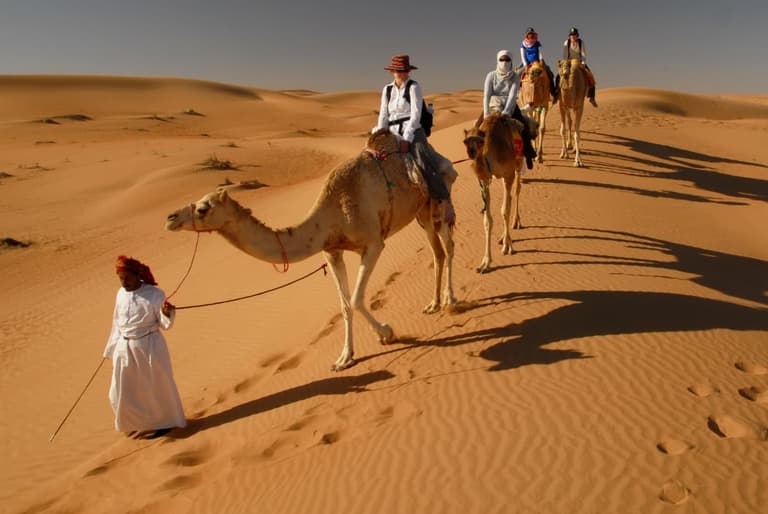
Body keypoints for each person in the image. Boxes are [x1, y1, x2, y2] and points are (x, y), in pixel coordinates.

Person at [103, 255, 186, 439]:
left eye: (127, 278)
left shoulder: (155, 294)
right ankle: (134, 423)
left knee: (155, 387)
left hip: (149, 346)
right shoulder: (120, 294)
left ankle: (165, 422)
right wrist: (111, 348)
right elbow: (117, 322)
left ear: (137, 275)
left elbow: (165, 324)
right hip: (124, 348)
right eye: (121, 278)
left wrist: (167, 313)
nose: (124, 282)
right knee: (120, 390)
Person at [374, 54, 457, 218]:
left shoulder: (414, 87)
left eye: (402, 70)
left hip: (412, 129)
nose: (399, 73)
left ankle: (443, 199)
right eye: (397, 70)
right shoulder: (387, 89)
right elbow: (383, 115)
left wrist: (406, 138)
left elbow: (416, 115)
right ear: (392, 71)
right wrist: (380, 137)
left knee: (422, 160)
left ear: (408, 71)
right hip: (391, 130)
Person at [479, 49, 537, 169]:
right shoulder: (491, 76)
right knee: (477, 129)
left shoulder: (515, 76)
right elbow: (487, 95)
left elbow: (512, 95)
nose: (504, 62)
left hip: (510, 107)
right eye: (502, 59)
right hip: (493, 105)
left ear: (511, 61)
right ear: (497, 60)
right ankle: (477, 156)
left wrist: (506, 112)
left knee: (524, 127)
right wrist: (485, 113)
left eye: (507, 60)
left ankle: (528, 153)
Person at [561, 27, 598, 107]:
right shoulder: (566, 43)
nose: (573, 37)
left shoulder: (581, 42)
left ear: (577, 36)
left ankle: (592, 98)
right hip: (569, 62)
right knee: (559, 76)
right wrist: (566, 64)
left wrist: (583, 63)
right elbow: (565, 56)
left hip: (579, 62)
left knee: (590, 76)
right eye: (572, 35)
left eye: (575, 35)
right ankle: (557, 94)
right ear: (569, 36)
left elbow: (583, 54)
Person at [520, 27, 557, 101]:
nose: (531, 36)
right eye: (529, 34)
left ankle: (553, 93)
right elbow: (523, 55)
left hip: (537, 61)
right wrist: (525, 64)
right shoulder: (523, 44)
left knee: (549, 73)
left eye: (532, 34)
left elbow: (540, 53)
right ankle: (518, 93)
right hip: (527, 63)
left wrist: (540, 60)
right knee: (518, 74)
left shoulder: (537, 43)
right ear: (527, 35)